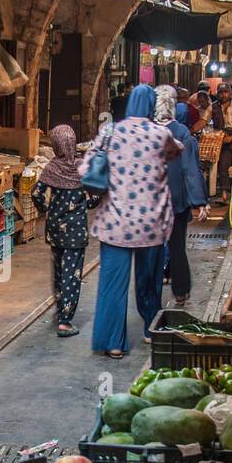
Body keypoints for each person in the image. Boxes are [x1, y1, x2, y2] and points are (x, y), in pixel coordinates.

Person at [85, 85, 178, 358]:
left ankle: (113, 343)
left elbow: (88, 164)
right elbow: (176, 150)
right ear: (151, 106)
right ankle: (151, 328)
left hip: (115, 223)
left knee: (113, 284)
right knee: (149, 280)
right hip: (151, 224)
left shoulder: (110, 131)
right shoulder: (161, 133)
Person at [32, 125, 97, 337]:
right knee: (72, 273)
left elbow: (37, 194)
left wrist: (47, 209)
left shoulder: (51, 167)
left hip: (55, 230)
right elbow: (95, 196)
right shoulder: (81, 167)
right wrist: (83, 206)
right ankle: (65, 321)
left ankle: (60, 310)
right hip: (76, 231)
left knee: (59, 272)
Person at [154, 85, 209, 307]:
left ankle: (153, 291)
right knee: (177, 246)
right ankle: (181, 291)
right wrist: (200, 201)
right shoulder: (182, 133)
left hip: (152, 201)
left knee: (154, 249)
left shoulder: (146, 132)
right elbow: (190, 170)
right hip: (177, 200)